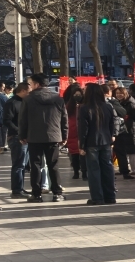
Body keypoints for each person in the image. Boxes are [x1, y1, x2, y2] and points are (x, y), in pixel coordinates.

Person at [18, 73, 68, 202]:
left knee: (35, 165)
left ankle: (36, 194)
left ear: (36, 84)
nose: (30, 86)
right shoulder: (58, 98)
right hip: (53, 136)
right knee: (53, 165)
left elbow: (23, 120)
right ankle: (57, 193)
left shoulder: (28, 99)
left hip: (34, 137)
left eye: (30, 83)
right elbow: (64, 119)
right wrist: (64, 135)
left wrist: (22, 135)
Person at [79, 83, 117, 205]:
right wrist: (112, 137)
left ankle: (97, 197)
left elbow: (83, 129)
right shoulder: (108, 107)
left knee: (93, 170)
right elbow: (112, 124)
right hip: (106, 141)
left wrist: (82, 145)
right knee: (107, 168)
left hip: (91, 142)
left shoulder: (84, 108)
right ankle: (110, 196)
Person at [5, 82, 30, 197]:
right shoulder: (12, 103)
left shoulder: (25, 102)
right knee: (18, 164)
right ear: (23, 91)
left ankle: (20, 187)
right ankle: (16, 190)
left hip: (26, 137)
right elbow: (7, 120)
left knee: (23, 164)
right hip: (16, 137)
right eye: (29, 91)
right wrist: (19, 131)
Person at [109, 87, 134, 180]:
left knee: (121, 152)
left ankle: (125, 172)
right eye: (117, 93)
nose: (119, 95)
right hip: (107, 131)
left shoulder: (116, 102)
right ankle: (110, 173)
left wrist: (112, 103)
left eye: (121, 93)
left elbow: (124, 112)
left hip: (120, 131)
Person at [64, 84, 87, 180]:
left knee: (83, 154)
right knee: (74, 155)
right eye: (75, 94)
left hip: (81, 132)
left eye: (79, 94)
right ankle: (76, 171)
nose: (77, 96)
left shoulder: (85, 106)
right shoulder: (69, 106)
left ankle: (84, 172)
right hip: (72, 132)